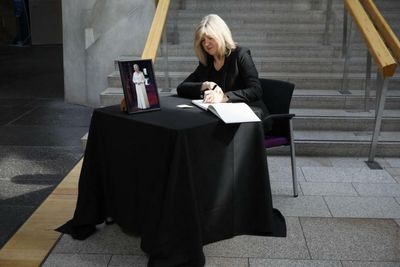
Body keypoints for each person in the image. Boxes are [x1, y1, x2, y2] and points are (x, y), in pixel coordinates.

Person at [177, 14, 270, 129]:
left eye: (210, 38)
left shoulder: (240, 55)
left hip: (250, 120)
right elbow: (181, 88)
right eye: (202, 41)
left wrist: (223, 97)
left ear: (220, 35)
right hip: (222, 119)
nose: (206, 44)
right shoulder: (207, 61)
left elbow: (255, 91)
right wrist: (205, 85)